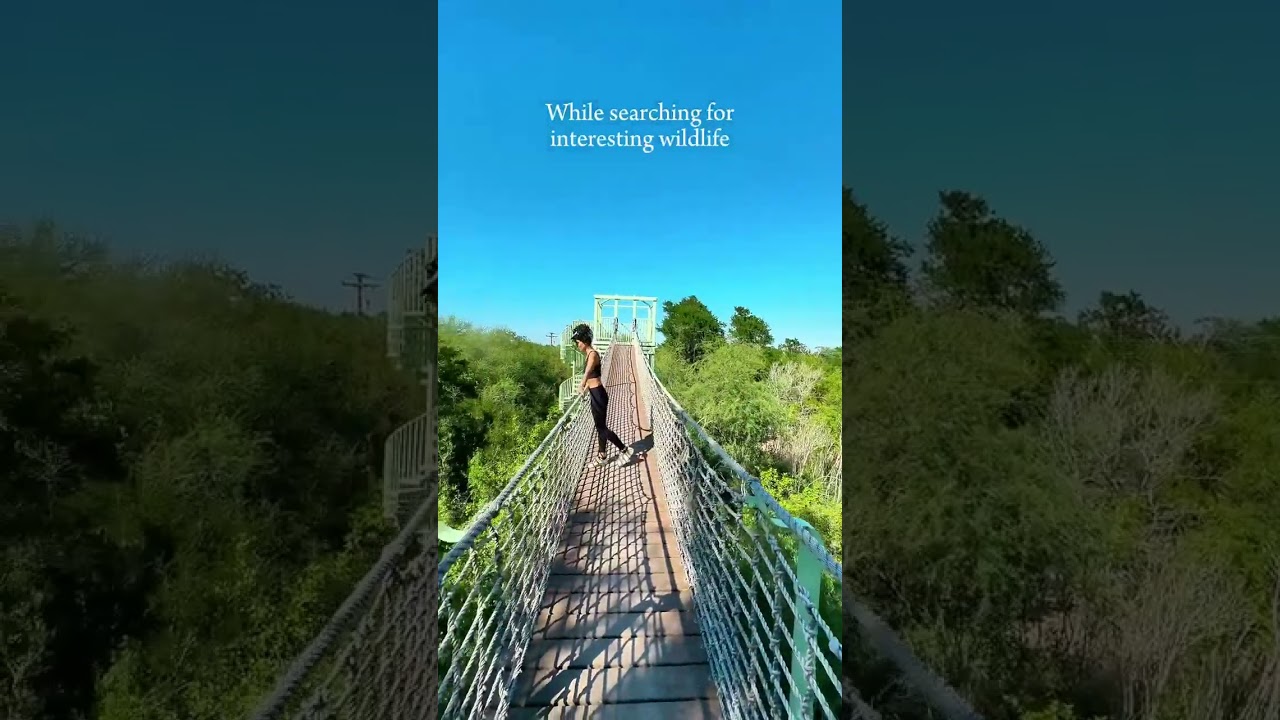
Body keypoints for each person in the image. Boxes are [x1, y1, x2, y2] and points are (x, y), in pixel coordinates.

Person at [571, 324, 634, 467]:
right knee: (600, 427)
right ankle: (602, 456)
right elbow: (593, 377)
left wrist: (581, 385)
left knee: (601, 429)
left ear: (584, 340)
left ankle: (624, 449)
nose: (577, 345)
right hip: (595, 393)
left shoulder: (593, 354)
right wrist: (586, 388)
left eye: (578, 341)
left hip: (599, 395)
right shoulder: (588, 354)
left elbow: (587, 372)